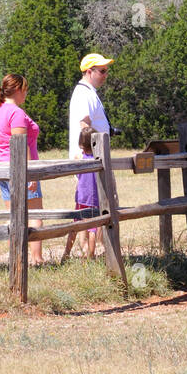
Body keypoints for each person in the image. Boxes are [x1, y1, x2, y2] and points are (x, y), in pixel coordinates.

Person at [0, 72, 44, 265]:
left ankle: (16, 259)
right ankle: (36, 259)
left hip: (2, 167)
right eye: (25, 90)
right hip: (20, 169)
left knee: (12, 216)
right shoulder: (16, 112)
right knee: (35, 215)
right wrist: (30, 175)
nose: (26, 94)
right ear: (18, 90)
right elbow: (21, 145)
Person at [60, 123, 103, 261]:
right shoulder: (99, 160)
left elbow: (78, 176)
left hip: (81, 198)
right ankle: (91, 256)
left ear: (81, 144)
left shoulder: (80, 160)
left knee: (75, 226)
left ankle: (66, 254)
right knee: (92, 229)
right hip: (95, 199)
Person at [68, 53, 113, 162]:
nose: (105, 75)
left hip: (93, 159)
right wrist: (91, 157)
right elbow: (85, 127)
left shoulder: (88, 92)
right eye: (102, 71)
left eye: (106, 71)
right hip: (89, 160)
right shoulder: (84, 93)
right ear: (89, 72)